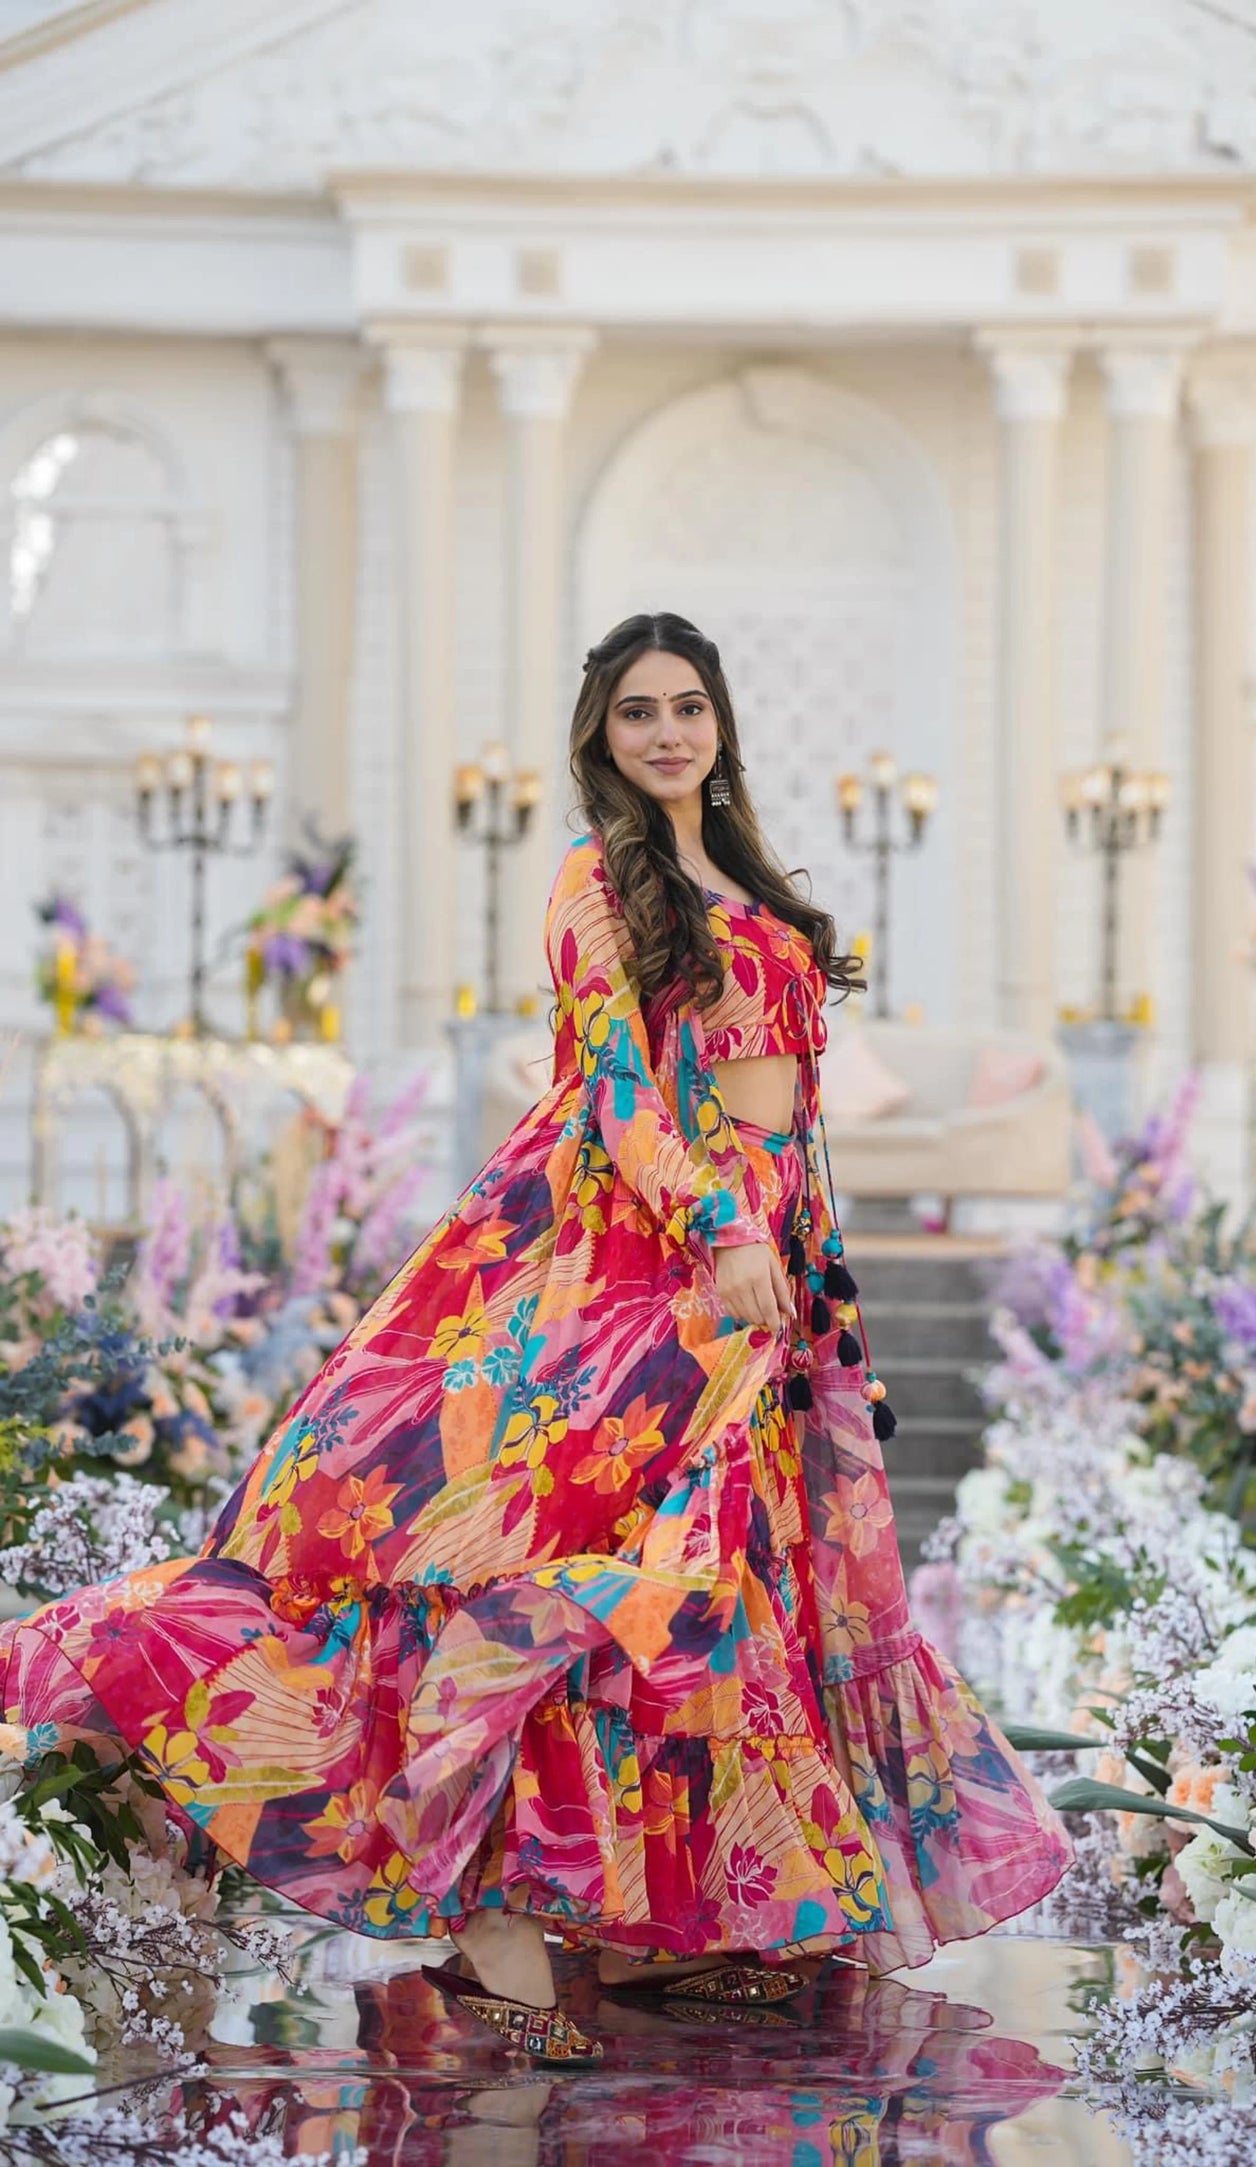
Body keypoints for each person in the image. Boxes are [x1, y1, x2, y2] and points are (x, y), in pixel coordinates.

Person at [0, 612, 1071, 2067]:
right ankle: (480, 1905)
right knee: (557, 1554)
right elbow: (623, 1092)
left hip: (764, 1256)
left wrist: (805, 1260)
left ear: (719, 725)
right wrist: (721, 1228)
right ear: (602, 738)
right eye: (637, 714)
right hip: (644, 1246)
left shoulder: (744, 877)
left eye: (687, 708)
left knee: (717, 1572)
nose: (667, 734)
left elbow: (796, 1113)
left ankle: (638, 1921)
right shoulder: (593, 877)